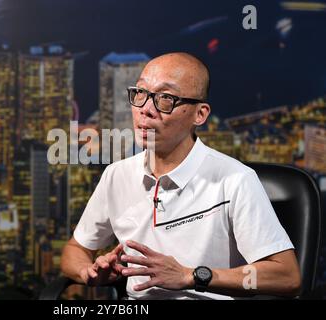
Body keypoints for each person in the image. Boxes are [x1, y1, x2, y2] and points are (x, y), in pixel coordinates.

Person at [61, 52, 301, 299]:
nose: (146, 110)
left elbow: (287, 277)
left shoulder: (235, 180)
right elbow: (75, 249)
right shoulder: (117, 175)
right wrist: (87, 271)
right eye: (141, 93)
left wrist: (191, 276)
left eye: (166, 98)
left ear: (200, 114)